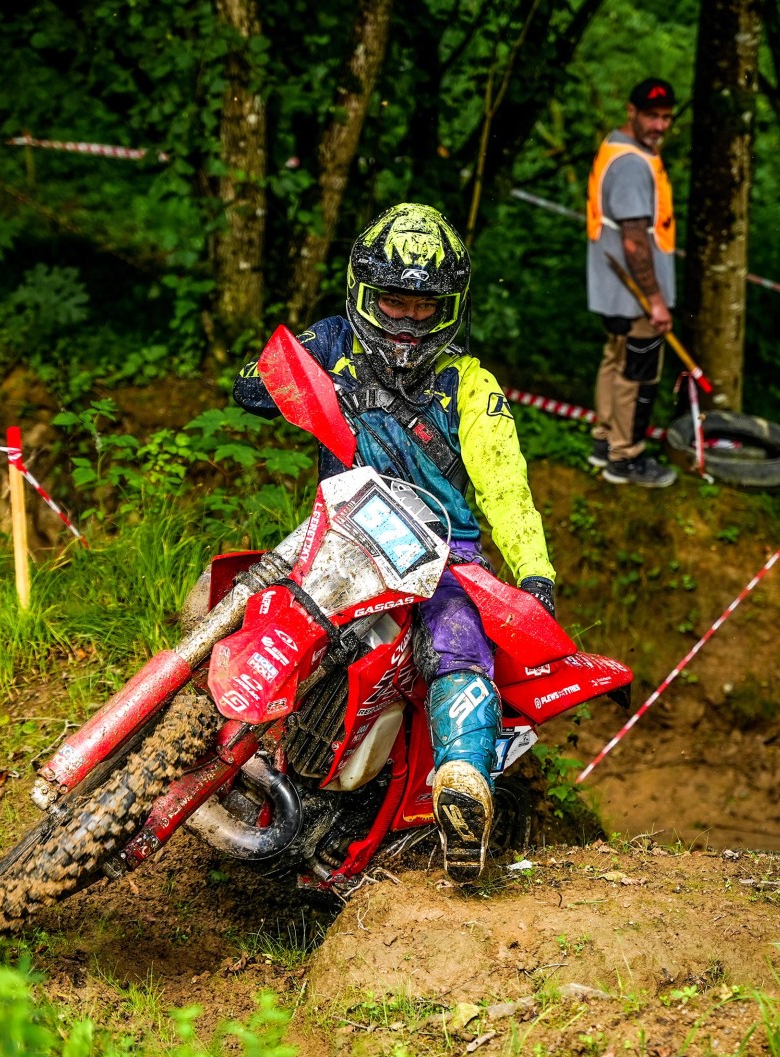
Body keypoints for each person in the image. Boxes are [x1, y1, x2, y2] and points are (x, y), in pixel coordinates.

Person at [234, 203, 555, 883]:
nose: (408, 321)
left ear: (449, 309)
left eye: (424, 306)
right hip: (342, 540)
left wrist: (535, 574)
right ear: (364, 295)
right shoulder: (333, 344)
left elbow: (505, 483)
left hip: (442, 558)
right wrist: (290, 378)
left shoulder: (469, 384)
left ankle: (464, 786)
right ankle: (211, 730)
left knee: (456, 636)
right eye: (394, 302)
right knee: (256, 601)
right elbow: (258, 382)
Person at [586, 77, 679, 487]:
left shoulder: (617, 145)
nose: (660, 126)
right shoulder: (632, 165)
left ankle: (604, 440)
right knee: (636, 373)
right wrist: (656, 300)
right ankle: (625, 457)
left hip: (613, 290)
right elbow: (635, 241)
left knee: (615, 359)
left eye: (666, 117)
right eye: (651, 116)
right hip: (634, 296)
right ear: (632, 112)